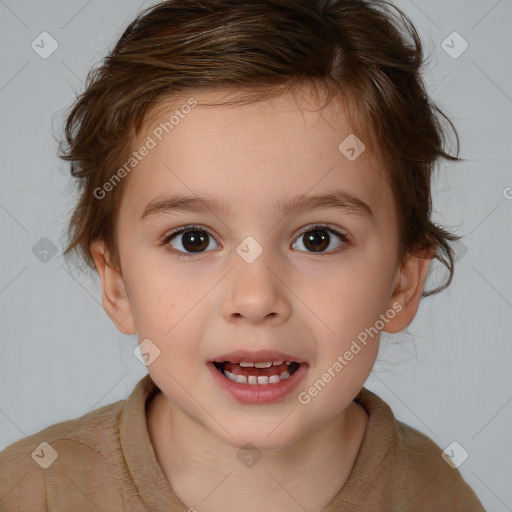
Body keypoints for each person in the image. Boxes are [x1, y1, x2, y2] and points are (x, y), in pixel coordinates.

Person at [0, 0, 486, 510]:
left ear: (402, 284)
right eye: (193, 240)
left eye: (318, 238)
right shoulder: (33, 491)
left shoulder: (437, 496)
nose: (255, 299)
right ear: (117, 282)